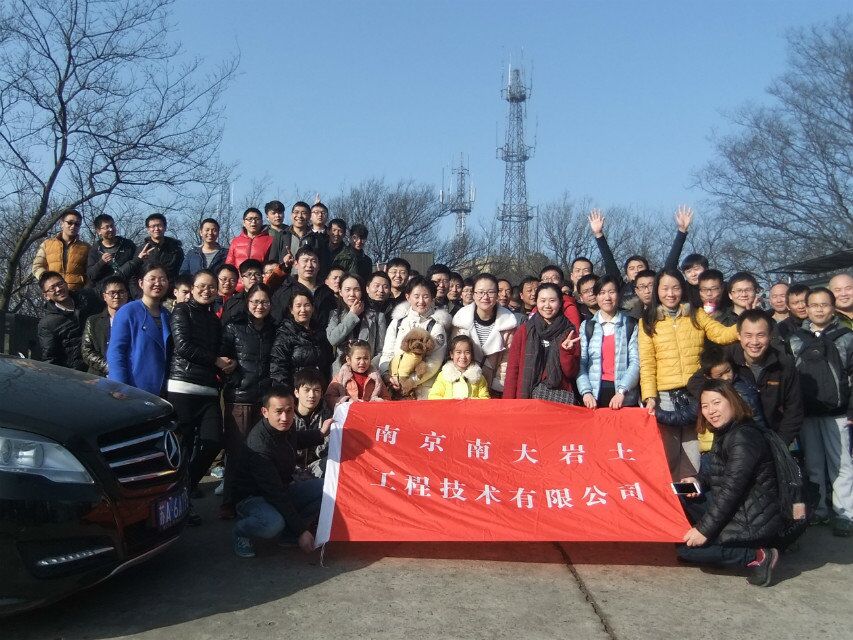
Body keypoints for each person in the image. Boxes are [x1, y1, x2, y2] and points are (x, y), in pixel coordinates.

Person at [677, 379, 784, 588]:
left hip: (753, 518)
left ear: (732, 401)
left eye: (716, 403)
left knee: (686, 550)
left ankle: (758, 555)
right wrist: (697, 481)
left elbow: (731, 491)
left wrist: (704, 531)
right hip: (741, 506)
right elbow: (717, 474)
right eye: (705, 406)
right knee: (684, 497)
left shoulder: (744, 437)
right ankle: (715, 546)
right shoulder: (727, 431)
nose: (711, 411)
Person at [638, 268, 738, 478]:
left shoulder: (696, 314)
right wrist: (649, 397)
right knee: (669, 450)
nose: (670, 294)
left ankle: (692, 492)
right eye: (665, 288)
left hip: (695, 390)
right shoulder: (647, 320)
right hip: (665, 395)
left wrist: (745, 327)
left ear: (682, 289)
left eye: (675, 288)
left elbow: (720, 334)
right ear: (657, 291)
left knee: (694, 448)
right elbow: (647, 363)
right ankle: (672, 494)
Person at [167, 270, 235, 525]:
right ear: (192, 288)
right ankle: (178, 502)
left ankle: (185, 488)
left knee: (214, 441)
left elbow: (219, 350)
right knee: (182, 448)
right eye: (201, 286)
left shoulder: (214, 320)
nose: (206, 291)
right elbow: (182, 346)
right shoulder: (181, 311)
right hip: (182, 387)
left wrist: (227, 363)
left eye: (211, 287)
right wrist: (216, 360)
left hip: (208, 390)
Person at [231, 385, 329, 558]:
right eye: (278, 411)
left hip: (282, 487)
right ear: (265, 412)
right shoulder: (260, 446)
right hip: (252, 497)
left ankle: (289, 535)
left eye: (289, 411)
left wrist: (320, 433)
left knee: (327, 488)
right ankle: (241, 531)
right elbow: (275, 494)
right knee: (273, 524)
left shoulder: (285, 426)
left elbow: (295, 439)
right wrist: (302, 531)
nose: (285, 417)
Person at [787, 287, 853, 536]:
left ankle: (845, 513)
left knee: (841, 463)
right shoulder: (795, 339)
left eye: (824, 304)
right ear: (806, 308)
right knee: (814, 464)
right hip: (807, 413)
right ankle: (819, 509)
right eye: (814, 305)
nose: (819, 309)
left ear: (833, 308)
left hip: (838, 412)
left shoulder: (846, 336)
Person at [219, 283, 276, 519]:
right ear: (247, 303)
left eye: (264, 302)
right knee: (237, 452)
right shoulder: (234, 327)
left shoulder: (275, 329)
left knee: (262, 452)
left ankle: (255, 499)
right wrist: (233, 376)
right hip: (240, 397)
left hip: (265, 400)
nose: (259, 306)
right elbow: (222, 357)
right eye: (255, 302)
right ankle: (229, 502)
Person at [588, 206, 691, 311]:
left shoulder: (658, 286)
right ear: (626, 275)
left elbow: (670, 265)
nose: (636, 270)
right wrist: (598, 234)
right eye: (631, 268)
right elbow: (609, 261)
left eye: (640, 267)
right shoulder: (621, 288)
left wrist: (682, 231)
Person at [729, 310, 803, 446]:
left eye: (761, 335)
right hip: (735, 440)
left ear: (770, 336)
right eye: (748, 335)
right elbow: (698, 381)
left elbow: (794, 410)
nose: (754, 342)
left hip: (773, 437)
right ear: (739, 336)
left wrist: (780, 444)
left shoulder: (783, 364)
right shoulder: (728, 359)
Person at [503, 283, 580, 403]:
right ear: (537, 302)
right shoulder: (524, 330)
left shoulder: (569, 333)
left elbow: (571, 373)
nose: (547, 305)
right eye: (542, 301)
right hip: (526, 396)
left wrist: (566, 352)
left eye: (552, 301)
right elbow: (513, 369)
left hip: (557, 399)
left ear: (560, 303)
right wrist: (508, 403)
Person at [380, 277, 450, 399]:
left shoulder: (436, 326)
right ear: (408, 297)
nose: (421, 301)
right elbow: (387, 352)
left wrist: (410, 381)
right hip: (393, 386)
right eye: (416, 296)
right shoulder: (397, 322)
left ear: (432, 298)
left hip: (423, 389)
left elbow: (434, 363)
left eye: (426, 296)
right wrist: (387, 376)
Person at [107, 264, 172, 395]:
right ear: (141, 283)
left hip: (163, 389)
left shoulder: (167, 315)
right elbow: (116, 352)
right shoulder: (128, 311)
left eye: (162, 279)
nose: (158, 283)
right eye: (152, 279)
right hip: (134, 387)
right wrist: (119, 386)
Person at [576, 276, 640, 409]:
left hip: (623, 396)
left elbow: (635, 361)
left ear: (619, 294)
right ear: (596, 296)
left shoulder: (630, 324)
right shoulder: (587, 326)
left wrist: (622, 391)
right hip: (594, 396)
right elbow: (581, 363)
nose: (607, 297)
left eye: (611, 292)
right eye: (602, 293)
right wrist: (586, 392)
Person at [451, 273, 518, 397]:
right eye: (480, 292)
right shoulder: (460, 321)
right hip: (463, 385)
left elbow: (507, 361)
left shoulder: (508, 323)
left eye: (491, 292)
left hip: (492, 387)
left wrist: (498, 386)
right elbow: (454, 354)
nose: (485, 297)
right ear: (474, 294)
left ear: (497, 294)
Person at [37, 272, 103, 370]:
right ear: (46, 296)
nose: (58, 289)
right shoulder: (48, 324)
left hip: (103, 360)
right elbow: (50, 358)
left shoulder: (88, 298)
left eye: (60, 284)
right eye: (52, 288)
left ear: (66, 283)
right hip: (78, 372)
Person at [270, 288, 333, 388]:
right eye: (298, 306)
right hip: (296, 391)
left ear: (312, 308)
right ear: (291, 309)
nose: (303, 310)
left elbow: (328, 362)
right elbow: (278, 368)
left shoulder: (320, 333)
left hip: (318, 390)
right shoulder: (285, 334)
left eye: (307, 305)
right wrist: (287, 393)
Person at [326, 274, 389, 374]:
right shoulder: (335, 315)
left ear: (362, 292)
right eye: (347, 289)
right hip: (341, 373)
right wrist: (352, 315)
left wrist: (367, 366)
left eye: (356, 290)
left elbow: (381, 350)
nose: (352, 294)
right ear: (340, 292)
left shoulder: (377, 316)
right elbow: (333, 340)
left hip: (368, 373)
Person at [270, 247, 337, 328]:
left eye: (313, 261)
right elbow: (275, 321)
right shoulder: (285, 292)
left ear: (319, 266)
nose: (309, 265)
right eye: (305, 261)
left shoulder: (327, 293)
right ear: (296, 264)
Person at [32, 209, 91, 291]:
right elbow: (37, 266)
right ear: (62, 223)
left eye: (77, 224)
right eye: (70, 222)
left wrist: (86, 289)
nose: (73, 226)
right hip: (53, 292)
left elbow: (90, 272)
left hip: (77, 292)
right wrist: (48, 280)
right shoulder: (47, 244)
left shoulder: (86, 247)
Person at [81, 276, 129, 376]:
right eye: (112, 293)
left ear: (127, 294)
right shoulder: (93, 321)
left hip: (130, 373)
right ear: (104, 296)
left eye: (121, 292)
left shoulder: (136, 319)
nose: (117, 296)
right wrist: (111, 368)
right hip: (100, 376)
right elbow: (87, 351)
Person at [292, 368, 333, 479]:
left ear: (322, 393)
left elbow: (326, 450)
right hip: (291, 472)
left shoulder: (327, 415)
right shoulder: (287, 416)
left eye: (316, 390)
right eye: (307, 390)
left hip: (316, 469)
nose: (312, 395)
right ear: (296, 392)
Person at [326, 339, 390, 405]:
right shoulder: (340, 378)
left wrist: (377, 402)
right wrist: (346, 401)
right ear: (348, 360)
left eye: (365, 358)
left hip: (370, 410)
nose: (362, 362)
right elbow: (329, 397)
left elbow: (386, 397)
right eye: (358, 358)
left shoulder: (376, 379)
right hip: (350, 410)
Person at [131, 214, 184, 292]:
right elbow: (133, 276)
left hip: (170, 294)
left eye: (159, 225)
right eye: (153, 226)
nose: (156, 229)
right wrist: (138, 295)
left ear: (165, 227)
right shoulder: (141, 250)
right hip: (146, 294)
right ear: (148, 229)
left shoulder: (176, 250)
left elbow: (181, 274)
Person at [428, 335, 490, 399]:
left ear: (471, 355)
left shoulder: (478, 377)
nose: (463, 356)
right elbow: (433, 396)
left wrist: (470, 401)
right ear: (452, 354)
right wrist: (451, 401)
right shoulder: (444, 375)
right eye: (458, 352)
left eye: (467, 352)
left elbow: (485, 399)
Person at [86, 213, 137, 289]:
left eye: (112, 226)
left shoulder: (127, 245)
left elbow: (136, 266)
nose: (111, 229)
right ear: (98, 231)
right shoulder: (95, 250)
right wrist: (101, 262)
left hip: (126, 290)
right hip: (104, 291)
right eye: (106, 227)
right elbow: (91, 275)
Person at [226, 208, 274, 272]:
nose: (253, 222)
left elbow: (273, 264)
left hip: (259, 277)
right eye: (250, 219)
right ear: (244, 222)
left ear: (262, 222)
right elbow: (229, 264)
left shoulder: (270, 240)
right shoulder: (236, 241)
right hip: (239, 278)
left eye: (257, 219)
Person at [220, 259, 264, 325]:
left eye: (257, 274)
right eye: (249, 274)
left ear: (262, 277)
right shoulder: (232, 302)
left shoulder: (270, 300)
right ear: (242, 279)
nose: (253, 278)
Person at [773, 283, 810, 347]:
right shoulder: (782, 328)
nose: (801, 306)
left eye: (804, 302)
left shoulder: (823, 320)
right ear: (788, 306)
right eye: (795, 303)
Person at [302, 202, 332, 277]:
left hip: (328, 276)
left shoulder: (332, 236)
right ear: (310, 216)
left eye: (323, 213)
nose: (320, 215)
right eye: (316, 212)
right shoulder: (303, 234)